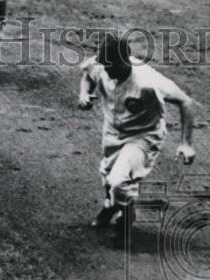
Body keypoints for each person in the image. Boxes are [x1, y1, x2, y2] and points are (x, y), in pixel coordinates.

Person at [77, 34, 196, 228]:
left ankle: (126, 216)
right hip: (113, 130)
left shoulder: (148, 81)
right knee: (107, 176)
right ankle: (112, 206)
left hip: (143, 135)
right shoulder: (102, 65)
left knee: (119, 181)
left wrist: (186, 143)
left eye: (110, 66)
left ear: (124, 61)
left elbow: (186, 102)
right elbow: (87, 76)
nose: (105, 70)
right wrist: (84, 94)